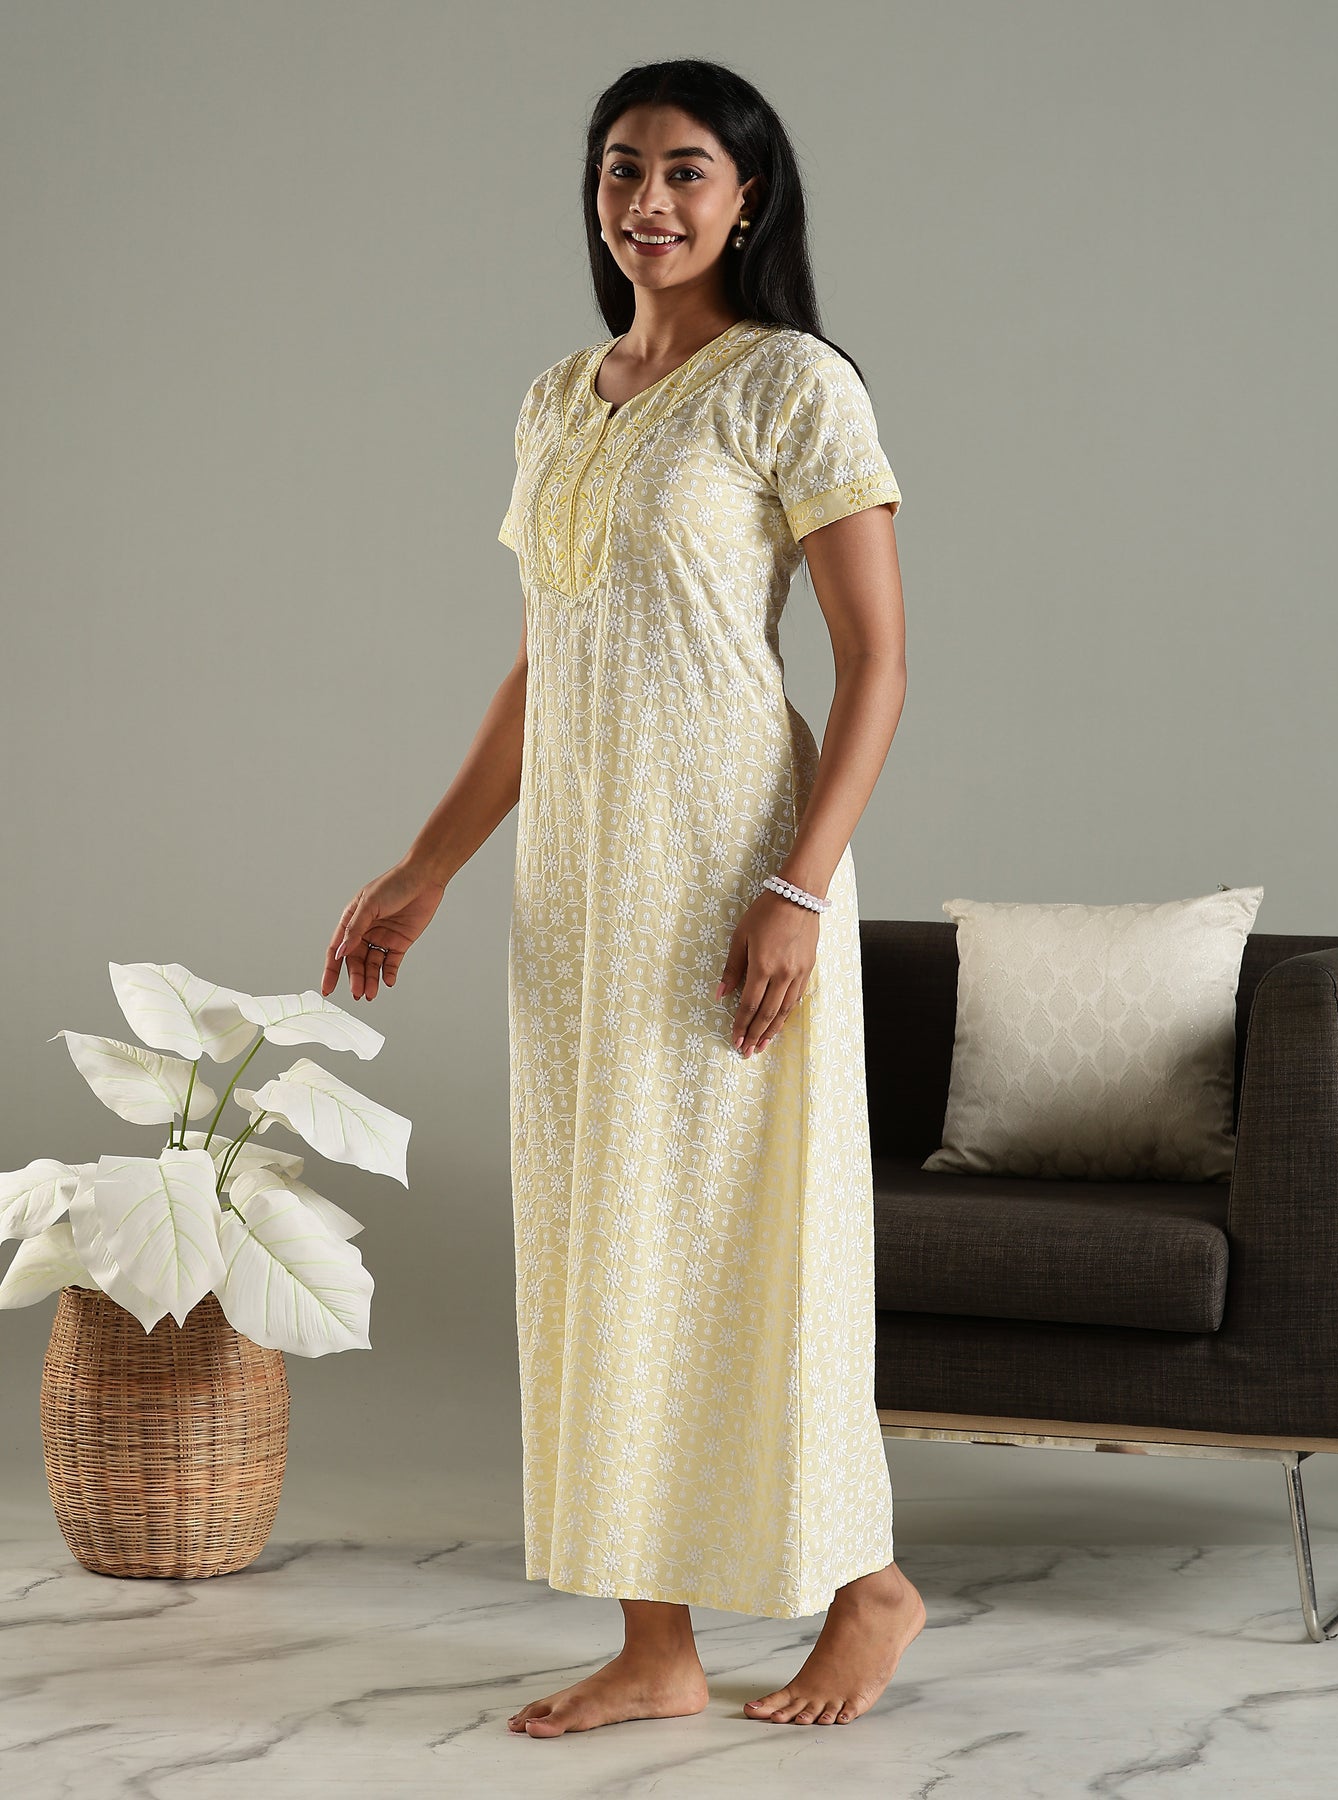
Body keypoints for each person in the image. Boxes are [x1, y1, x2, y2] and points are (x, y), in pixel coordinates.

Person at [320, 57, 924, 1735]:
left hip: (735, 868)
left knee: (752, 1236)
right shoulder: (555, 397)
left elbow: (876, 664)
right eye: (619, 169)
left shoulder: (791, 385)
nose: (646, 202)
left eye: (683, 171)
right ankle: (656, 1642)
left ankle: (865, 1587)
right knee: (606, 1243)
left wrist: (796, 888)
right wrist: (428, 861)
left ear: (746, 199)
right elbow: (549, 658)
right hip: (580, 890)